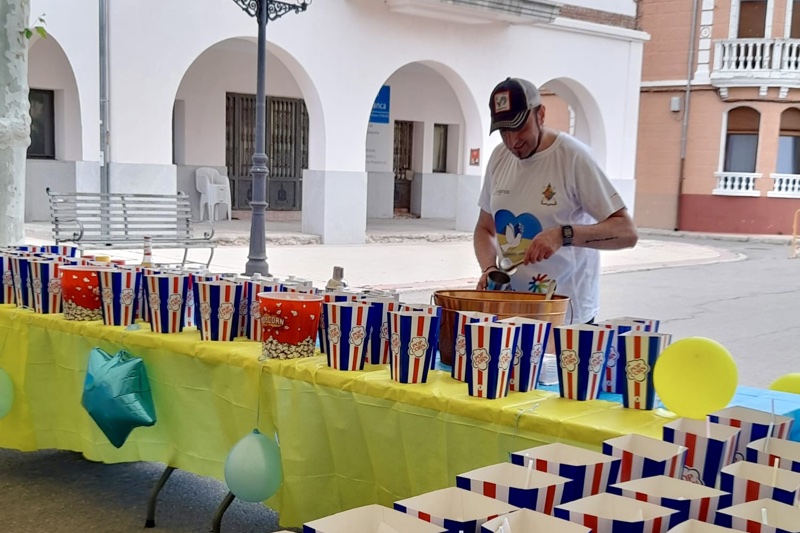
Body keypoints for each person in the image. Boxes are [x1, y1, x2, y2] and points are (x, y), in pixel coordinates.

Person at [474, 77, 638, 324]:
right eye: (504, 132)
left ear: (540, 114)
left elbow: (626, 233)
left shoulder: (573, 157)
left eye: (520, 127)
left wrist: (563, 234)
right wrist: (489, 268)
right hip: (512, 312)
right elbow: (485, 228)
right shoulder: (499, 158)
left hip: (566, 316)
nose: (512, 141)